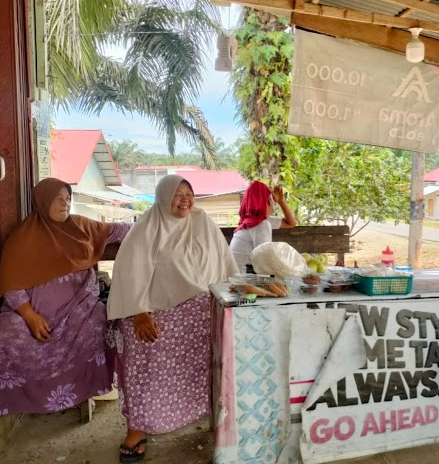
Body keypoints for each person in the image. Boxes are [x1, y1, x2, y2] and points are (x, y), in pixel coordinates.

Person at [107, 175, 239, 463]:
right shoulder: (147, 228)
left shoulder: (203, 222)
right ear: (163, 197)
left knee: (211, 358)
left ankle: (204, 416)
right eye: (177, 194)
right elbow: (130, 272)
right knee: (143, 357)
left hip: (200, 311)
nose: (184, 199)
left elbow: (224, 263)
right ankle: (137, 428)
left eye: (188, 193)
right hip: (153, 313)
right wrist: (139, 312)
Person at [0, 178, 129, 415]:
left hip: (77, 309)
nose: (65, 203)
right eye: (58, 199)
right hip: (33, 315)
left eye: (68, 198)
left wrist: (158, 225)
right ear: (43, 201)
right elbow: (11, 283)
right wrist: (29, 316)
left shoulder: (81, 227)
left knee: (96, 323)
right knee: (6, 331)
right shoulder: (22, 238)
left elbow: (119, 230)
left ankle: (80, 391)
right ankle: (28, 399)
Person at [230, 180, 297, 273]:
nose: (274, 202)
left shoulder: (255, 221)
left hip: (239, 273)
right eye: (272, 199)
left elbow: (291, 223)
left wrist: (281, 202)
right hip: (244, 276)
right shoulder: (261, 224)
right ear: (266, 201)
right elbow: (264, 258)